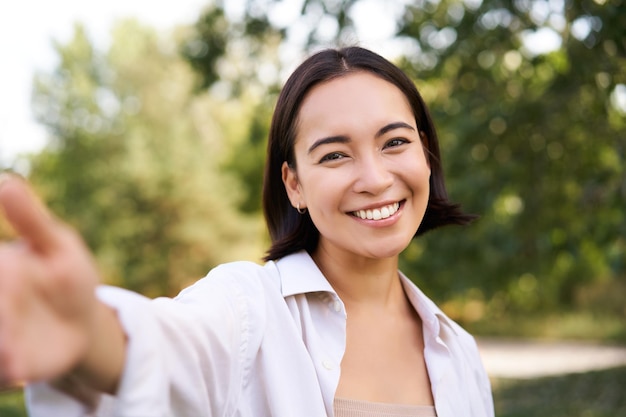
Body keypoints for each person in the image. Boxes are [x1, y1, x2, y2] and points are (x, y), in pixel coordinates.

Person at [0, 46, 494, 417]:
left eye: (394, 143)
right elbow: (164, 351)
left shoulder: (460, 352)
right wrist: (86, 333)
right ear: (294, 185)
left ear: (425, 154)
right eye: (335, 155)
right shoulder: (246, 307)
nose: (374, 178)